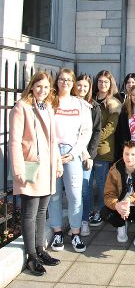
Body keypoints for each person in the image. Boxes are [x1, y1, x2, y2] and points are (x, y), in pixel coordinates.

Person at [9, 71, 63, 275]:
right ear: (32, 86)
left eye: (46, 87)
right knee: (29, 213)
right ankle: (31, 255)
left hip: (48, 168)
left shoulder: (48, 107)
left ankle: (40, 249)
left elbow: (53, 140)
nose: (42, 90)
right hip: (30, 167)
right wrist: (18, 169)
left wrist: (58, 162)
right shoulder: (21, 108)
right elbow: (14, 141)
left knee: (42, 211)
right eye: (39, 86)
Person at [48, 68, 92, 253]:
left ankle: (75, 233)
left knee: (75, 195)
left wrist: (75, 153)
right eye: (62, 79)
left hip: (72, 152)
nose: (65, 82)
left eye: (68, 80)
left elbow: (86, 132)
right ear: (57, 81)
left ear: (72, 82)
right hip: (52, 152)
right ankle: (57, 232)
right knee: (54, 194)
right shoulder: (50, 102)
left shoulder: (80, 104)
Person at [101, 141, 135, 245]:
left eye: (133, 154)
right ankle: (121, 226)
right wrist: (117, 205)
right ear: (123, 154)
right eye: (126, 154)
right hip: (122, 207)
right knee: (104, 212)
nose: (129, 157)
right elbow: (108, 194)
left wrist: (130, 199)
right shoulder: (114, 170)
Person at [90, 70, 122, 226]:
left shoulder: (114, 103)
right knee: (87, 184)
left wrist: (93, 140)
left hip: (103, 148)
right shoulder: (90, 100)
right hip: (86, 147)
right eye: (100, 81)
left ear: (111, 84)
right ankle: (90, 211)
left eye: (106, 82)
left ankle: (102, 212)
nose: (103, 84)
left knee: (103, 183)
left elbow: (110, 127)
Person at [74, 74, 102, 236]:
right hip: (68, 153)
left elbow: (96, 132)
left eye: (85, 86)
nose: (82, 89)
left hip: (85, 155)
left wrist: (90, 155)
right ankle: (75, 222)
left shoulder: (93, 106)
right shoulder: (66, 103)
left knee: (85, 189)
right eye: (79, 85)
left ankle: (84, 221)